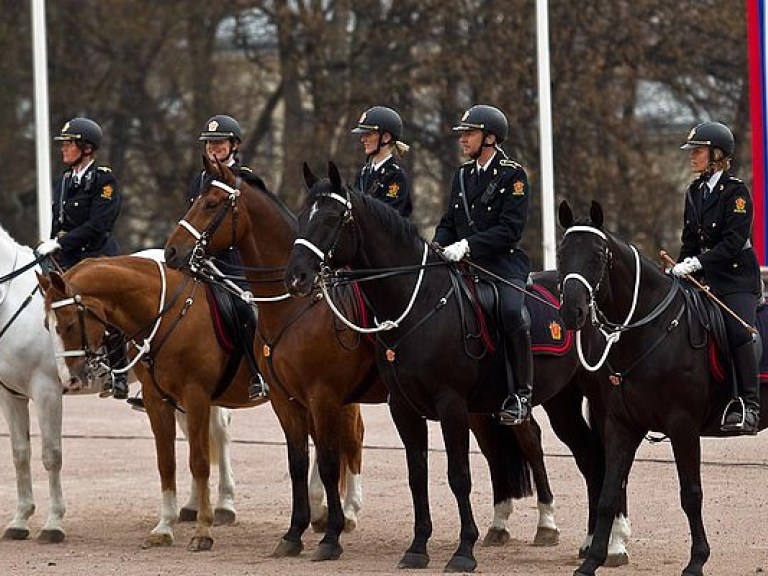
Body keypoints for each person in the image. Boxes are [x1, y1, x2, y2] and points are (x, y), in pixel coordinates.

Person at [432, 104, 533, 425]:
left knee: (511, 311)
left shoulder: (512, 174)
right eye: (462, 133)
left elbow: (510, 229)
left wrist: (468, 245)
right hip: (463, 264)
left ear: (490, 137)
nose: (463, 139)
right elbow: (449, 221)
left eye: (469, 133)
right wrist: (438, 243)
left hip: (503, 264)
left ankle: (522, 393)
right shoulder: (462, 175)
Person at [673, 121, 761, 435]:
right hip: (704, 277)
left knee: (738, 331)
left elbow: (733, 243)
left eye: (697, 151)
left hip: (736, 280)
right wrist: (679, 268)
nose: (692, 156)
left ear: (717, 154)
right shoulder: (694, 192)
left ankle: (749, 405)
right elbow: (689, 241)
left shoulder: (736, 191)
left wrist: (696, 262)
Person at [36, 117, 128, 400]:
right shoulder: (64, 180)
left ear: (86, 148)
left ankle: (119, 373)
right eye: (63, 144)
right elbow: (58, 220)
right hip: (67, 257)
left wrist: (60, 242)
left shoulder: (103, 178)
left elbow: (99, 224)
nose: (64, 149)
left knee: (110, 311)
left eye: (69, 143)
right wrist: (51, 247)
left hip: (97, 255)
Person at [351, 106, 413, 218]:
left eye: (368, 134)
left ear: (386, 137)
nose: (363, 139)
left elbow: (389, 217)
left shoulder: (396, 176)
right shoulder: (362, 174)